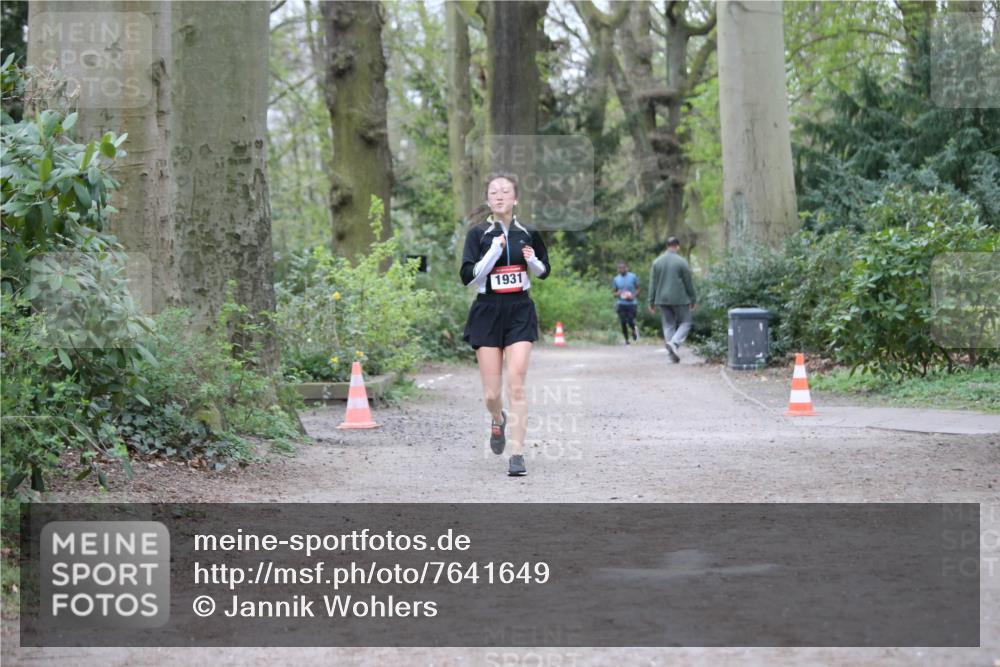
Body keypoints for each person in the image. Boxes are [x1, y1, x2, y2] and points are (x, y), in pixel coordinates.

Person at [460, 173, 551, 476]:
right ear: (488, 200)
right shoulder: (478, 234)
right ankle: (498, 420)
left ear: (516, 198)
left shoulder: (528, 232)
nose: (499, 196)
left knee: (516, 382)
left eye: (505, 191)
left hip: (520, 309)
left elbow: (543, 270)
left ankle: (518, 454)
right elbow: (468, 277)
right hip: (487, 311)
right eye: (493, 192)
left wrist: (534, 260)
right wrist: (493, 252)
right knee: (491, 393)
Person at [647, 237, 696, 363]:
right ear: (677, 246)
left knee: (668, 325)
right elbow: (688, 282)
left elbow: (653, 283)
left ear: (666, 246)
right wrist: (693, 298)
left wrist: (651, 301)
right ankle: (674, 343)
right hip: (679, 298)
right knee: (686, 322)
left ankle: (671, 355)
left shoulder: (657, 262)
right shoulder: (682, 262)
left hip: (662, 299)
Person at [612, 261, 640, 345]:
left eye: (623, 268)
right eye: (619, 268)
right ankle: (626, 340)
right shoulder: (616, 279)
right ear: (618, 269)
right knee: (623, 321)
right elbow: (614, 293)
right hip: (621, 303)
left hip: (632, 303)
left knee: (631, 320)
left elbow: (638, 289)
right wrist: (618, 293)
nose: (621, 269)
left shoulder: (633, 276)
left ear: (626, 268)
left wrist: (633, 296)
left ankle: (634, 330)